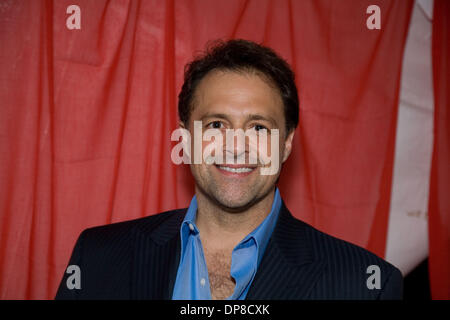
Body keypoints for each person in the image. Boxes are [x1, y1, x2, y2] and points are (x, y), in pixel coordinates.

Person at [55, 39, 403, 300]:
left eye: (258, 128)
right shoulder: (98, 257)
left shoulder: (364, 285)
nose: (236, 146)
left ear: (286, 144)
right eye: (217, 124)